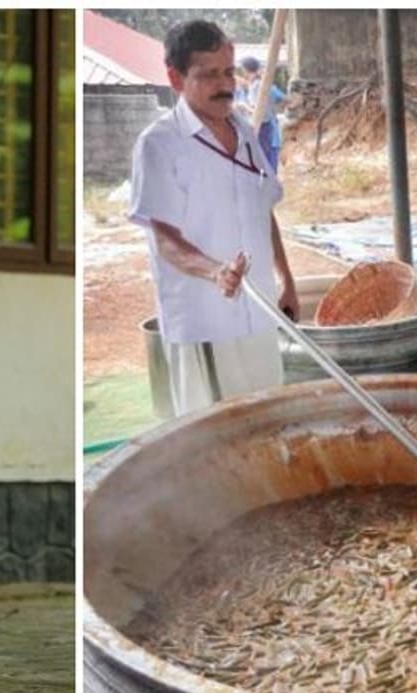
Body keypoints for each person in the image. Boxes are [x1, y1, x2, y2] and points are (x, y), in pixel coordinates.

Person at [130, 20, 299, 418]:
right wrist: (214, 271)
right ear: (175, 77)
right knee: (212, 437)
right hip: (205, 321)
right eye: (208, 75)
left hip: (258, 314)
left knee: (265, 423)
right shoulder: (160, 145)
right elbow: (165, 239)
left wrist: (286, 279)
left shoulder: (242, 129)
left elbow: (263, 208)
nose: (225, 85)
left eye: (227, 71)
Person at [237, 56, 287, 170]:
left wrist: (244, 107)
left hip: (264, 130)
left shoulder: (257, 87)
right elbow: (284, 99)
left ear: (245, 70)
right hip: (267, 130)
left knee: (264, 165)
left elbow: (260, 113)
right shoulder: (260, 85)